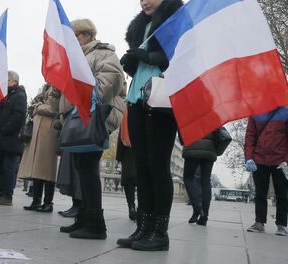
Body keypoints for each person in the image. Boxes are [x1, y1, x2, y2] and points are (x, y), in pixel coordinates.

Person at [116, 0, 183, 250]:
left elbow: (181, 55)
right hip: (136, 98)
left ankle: (160, 233)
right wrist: (133, 62)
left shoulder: (178, 19)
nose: (144, 1)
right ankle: (143, 228)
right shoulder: (142, 25)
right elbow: (143, 63)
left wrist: (149, 56)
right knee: (141, 166)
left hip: (162, 100)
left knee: (158, 166)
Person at [58, 19, 125, 240]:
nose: (72, 41)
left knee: (88, 170)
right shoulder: (75, 57)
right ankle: (84, 218)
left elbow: (110, 80)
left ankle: (96, 225)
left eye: (75, 36)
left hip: (95, 117)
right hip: (77, 117)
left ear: (85, 35)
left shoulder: (104, 53)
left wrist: (82, 93)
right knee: (82, 169)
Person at [244, 106, 288, 236]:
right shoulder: (255, 112)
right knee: (260, 193)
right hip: (259, 159)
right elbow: (250, 136)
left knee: (282, 194)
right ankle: (259, 222)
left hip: (280, 160)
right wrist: (248, 158)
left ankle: (281, 225)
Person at [0, 71, 27, 206]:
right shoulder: (7, 96)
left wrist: (4, 130)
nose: (5, 83)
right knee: (2, 167)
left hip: (11, 140)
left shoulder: (19, 96)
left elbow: (18, 117)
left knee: (8, 168)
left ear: (14, 81)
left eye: (7, 80)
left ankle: (7, 196)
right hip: (3, 140)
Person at [18, 84, 59, 213]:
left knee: (47, 167)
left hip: (49, 130)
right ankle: (36, 200)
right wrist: (38, 105)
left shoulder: (58, 86)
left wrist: (38, 107)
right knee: (36, 166)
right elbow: (35, 102)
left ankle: (48, 202)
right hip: (37, 130)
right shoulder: (47, 86)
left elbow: (54, 108)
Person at [182, 131, 221, 226]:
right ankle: (204, 217)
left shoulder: (188, 115)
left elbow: (182, 130)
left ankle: (197, 207)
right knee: (205, 180)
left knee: (188, 178)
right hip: (209, 148)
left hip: (192, 145)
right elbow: (218, 133)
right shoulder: (212, 115)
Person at [116, 134, 137, 221]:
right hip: (143, 151)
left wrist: (119, 156)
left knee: (129, 181)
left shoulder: (127, 119)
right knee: (143, 181)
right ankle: (143, 210)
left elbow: (121, 135)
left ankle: (131, 206)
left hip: (128, 153)